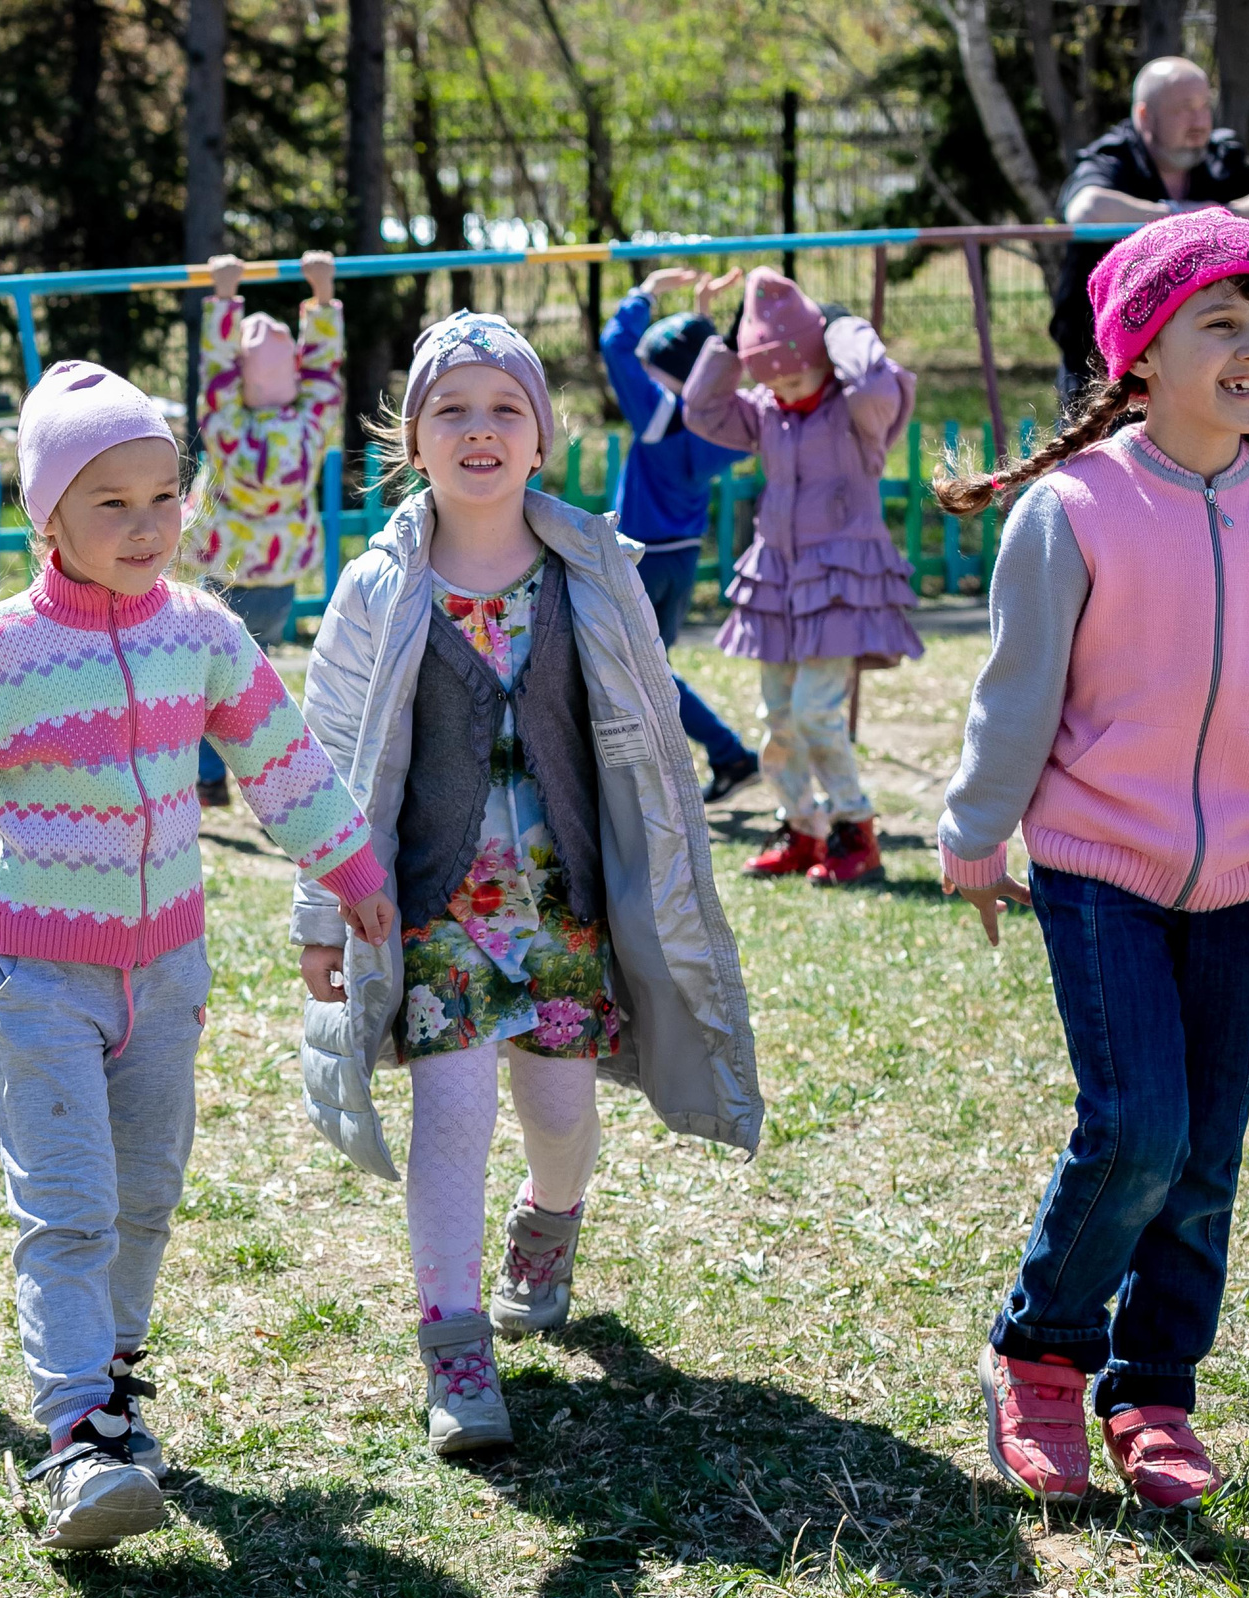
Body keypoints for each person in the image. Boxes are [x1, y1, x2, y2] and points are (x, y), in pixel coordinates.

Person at [0, 361, 392, 1551]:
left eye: (165, 495)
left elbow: (284, 760)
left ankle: (113, 1380)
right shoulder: (0, 654)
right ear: (47, 516)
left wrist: (350, 868)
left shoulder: (202, 632)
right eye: (112, 502)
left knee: (145, 1192)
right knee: (70, 1205)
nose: (147, 524)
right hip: (40, 976)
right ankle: (73, 1439)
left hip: (167, 974)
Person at [933, 210, 1249, 1509]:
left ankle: (1154, 1383)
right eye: (1223, 320)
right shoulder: (1073, 511)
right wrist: (977, 831)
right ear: (1143, 352)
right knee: (1139, 1123)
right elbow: (1016, 691)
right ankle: (1041, 1348)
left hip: (1240, 877)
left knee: (1206, 1146)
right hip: (1099, 861)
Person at [293, 310, 762, 1458]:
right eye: (449, 409)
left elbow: (648, 735)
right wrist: (319, 909)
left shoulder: (592, 569)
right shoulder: (376, 587)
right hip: (434, 907)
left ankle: (549, 1222)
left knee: (558, 1111)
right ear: (411, 438)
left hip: (561, 900)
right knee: (448, 1114)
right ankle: (453, 1344)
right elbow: (328, 750)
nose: (479, 430)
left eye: (506, 408)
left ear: (543, 438)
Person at [682, 268, 923, 887]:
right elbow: (702, 409)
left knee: (816, 713)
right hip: (779, 583)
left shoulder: (860, 413)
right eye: (772, 380)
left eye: (795, 375)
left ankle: (854, 829)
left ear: (821, 356)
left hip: (840, 581)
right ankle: (801, 826)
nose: (784, 391)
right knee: (777, 719)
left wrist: (842, 328)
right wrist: (735, 342)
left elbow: (873, 379)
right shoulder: (768, 413)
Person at [1051, 57, 1249, 409]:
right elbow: (1086, 208)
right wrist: (1178, 216)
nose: (1200, 122)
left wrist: (1218, 215)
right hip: (1106, 370)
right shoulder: (1114, 157)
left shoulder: (1222, 156)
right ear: (1145, 117)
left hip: (1208, 370)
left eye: (1205, 107)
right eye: (1184, 110)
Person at [597, 267, 761, 802]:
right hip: (683, 556)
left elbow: (614, 345)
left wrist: (645, 293)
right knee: (650, 668)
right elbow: (702, 382)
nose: (640, 374)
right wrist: (702, 316)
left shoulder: (656, 417)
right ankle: (721, 754)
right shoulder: (717, 427)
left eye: (651, 367)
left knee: (643, 672)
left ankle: (726, 751)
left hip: (641, 556)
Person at [189, 249, 344, 807]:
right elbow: (326, 374)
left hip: (225, 569)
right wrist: (322, 296)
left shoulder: (227, 429)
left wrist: (226, 299)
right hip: (281, 577)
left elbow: (215, 373)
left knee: (209, 680)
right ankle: (263, 776)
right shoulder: (309, 426)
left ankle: (208, 776)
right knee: (254, 680)